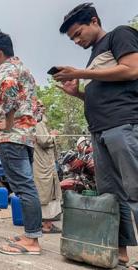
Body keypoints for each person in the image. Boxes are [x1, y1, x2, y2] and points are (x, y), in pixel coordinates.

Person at [53, 3, 138, 267]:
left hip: (123, 124)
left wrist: (80, 73)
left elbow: (133, 69)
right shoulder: (94, 58)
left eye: (78, 34)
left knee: (135, 189)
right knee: (111, 196)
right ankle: (119, 251)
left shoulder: (119, 35)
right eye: (72, 39)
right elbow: (101, 93)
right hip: (99, 131)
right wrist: (77, 92)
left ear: (94, 21)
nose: (77, 41)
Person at [0, 31, 42, 255]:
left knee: (24, 188)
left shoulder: (6, 68)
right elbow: (37, 107)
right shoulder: (24, 69)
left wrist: (7, 125)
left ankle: (32, 240)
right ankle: (31, 233)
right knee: (26, 186)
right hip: (25, 136)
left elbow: (8, 94)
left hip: (12, 136)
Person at [33, 101, 62, 234]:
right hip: (43, 165)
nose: (43, 108)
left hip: (46, 164)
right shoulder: (38, 123)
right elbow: (44, 141)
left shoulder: (40, 123)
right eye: (41, 106)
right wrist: (53, 136)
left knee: (49, 194)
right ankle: (47, 225)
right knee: (46, 195)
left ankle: (47, 224)